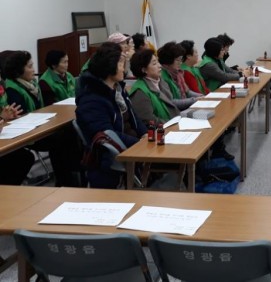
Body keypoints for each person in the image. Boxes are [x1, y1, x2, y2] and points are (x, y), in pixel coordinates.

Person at [4, 50, 82, 187]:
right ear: (18, 71)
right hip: (28, 134)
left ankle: (72, 177)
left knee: (69, 132)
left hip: (40, 125)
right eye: (30, 66)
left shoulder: (33, 85)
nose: (33, 70)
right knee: (62, 138)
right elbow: (21, 117)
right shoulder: (12, 90)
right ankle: (65, 181)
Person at [76, 43, 147, 188]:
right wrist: (140, 144)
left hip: (132, 147)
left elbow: (133, 117)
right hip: (110, 162)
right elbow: (107, 136)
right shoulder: (91, 99)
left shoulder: (118, 89)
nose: (123, 69)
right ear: (109, 66)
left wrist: (146, 135)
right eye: (120, 64)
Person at [157, 41, 205, 110]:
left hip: (184, 108)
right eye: (178, 60)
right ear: (169, 60)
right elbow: (170, 102)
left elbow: (187, 92)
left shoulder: (178, 73)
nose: (180, 62)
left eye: (181, 60)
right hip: (175, 112)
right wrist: (194, 100)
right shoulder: (162, 77)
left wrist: (202, 96)